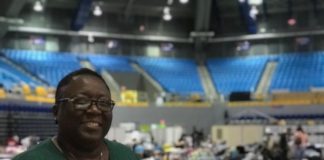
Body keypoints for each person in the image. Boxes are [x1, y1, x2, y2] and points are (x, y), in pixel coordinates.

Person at [13, 68, 140, 160]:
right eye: (82, 101)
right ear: (56, 112)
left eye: (104, 102)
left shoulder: (126, 156)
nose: (95, 110)